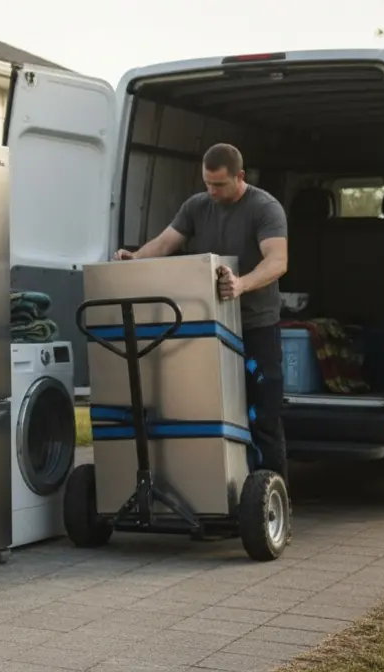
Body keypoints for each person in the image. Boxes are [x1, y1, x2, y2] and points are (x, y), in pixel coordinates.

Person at [113, 143, 290, 481]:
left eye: (219, 185)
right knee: (209, 410)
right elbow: (165, 244)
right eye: (207, 183)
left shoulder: (265, 208)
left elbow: (277, 261)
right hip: (209, 327)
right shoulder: (197, 206)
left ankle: (273, 500)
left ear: (240, 177)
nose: (211, 191)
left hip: (256, 327)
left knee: (262, 415)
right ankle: (222, 491)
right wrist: (133, 260)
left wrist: (240, 285)